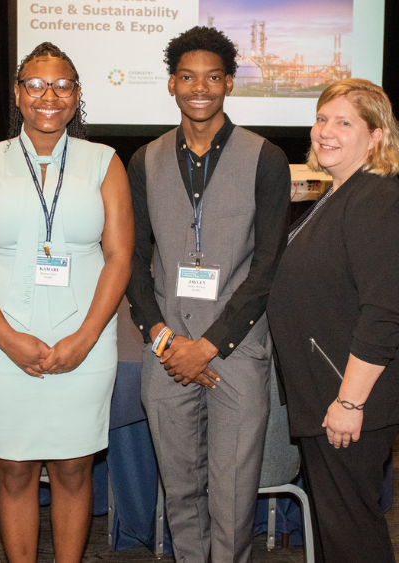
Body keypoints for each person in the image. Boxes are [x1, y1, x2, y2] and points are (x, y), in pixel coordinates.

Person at [0, 42, 132, 563]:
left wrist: (84, 338)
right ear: (17, 93)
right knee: (14, 468)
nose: (48, 95)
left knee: (75, 468)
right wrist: (7, 339)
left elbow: (119, 257)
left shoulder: (105, 162)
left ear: (76, 95)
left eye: (61, 85)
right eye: (35, 84)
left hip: (86, 341)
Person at [125, 27, 290, 562]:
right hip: (167, 350)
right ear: (172, 84)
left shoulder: (265, 158)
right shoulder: (144, 161)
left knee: (233, 495)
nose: (201, 89)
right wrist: (162, 339)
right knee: (181, 492)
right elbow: (130, 259)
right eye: (189, 78)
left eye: (213, 78)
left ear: (228, 84)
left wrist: (210, 345)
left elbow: (268, 266)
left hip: (237, 352)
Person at [266, 79, 399, 562]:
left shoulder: (378, 201)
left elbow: (384, 313)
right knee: (341, 530)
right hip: (326, 393)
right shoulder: (340, 194)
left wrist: (349, 403)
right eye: (321, 119)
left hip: (348, 400)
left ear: (376, 136)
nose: (325, 131)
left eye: (344, 122)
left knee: (352, 535)